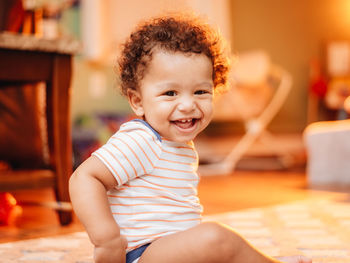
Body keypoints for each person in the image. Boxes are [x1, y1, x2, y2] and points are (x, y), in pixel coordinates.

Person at [69, 13, 312, 263]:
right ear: (138, 101)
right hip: (141, 254)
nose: (188, 104)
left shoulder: (180, 145)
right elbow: (84, 177)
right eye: (170, 93)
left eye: (200, 91)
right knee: (215, 239)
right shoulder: (142, 139)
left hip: (169, 250)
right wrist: (106, 238)